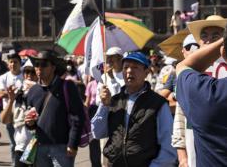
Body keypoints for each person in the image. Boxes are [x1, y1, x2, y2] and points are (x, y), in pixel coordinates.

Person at [91, 51, 177, 167]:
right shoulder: (114, 101)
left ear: (146, 72)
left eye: (135, 67)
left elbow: (168, 146)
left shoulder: (158, 104)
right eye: (126, 67)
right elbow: (97, 133)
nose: (129, 71)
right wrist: (104, 105)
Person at [175, 25, 227, 166]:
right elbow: (180, 118)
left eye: (215, 36)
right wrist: (182, 155)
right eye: (204, 36)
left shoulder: (198, 87)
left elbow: (182, 68)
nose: (209, 41)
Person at [24, 50, 85, 167]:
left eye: (43, 64)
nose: (39, 68)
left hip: (62, 147)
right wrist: (29, 123)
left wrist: (73, 144)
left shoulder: (67, 86)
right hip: (39, 146)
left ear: (53, 67)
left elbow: (77, 117)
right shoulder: (33, 91)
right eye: (36, 64)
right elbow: (31, 124)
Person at [0, 59, 37, 167]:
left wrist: (36, 89)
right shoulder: (19, 94)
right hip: (21, 148)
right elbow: (5, 120)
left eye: (32, 72)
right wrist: (11, 100)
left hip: (38, 149)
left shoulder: (43, 93)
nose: (29, 75)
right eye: (26, 72)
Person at [171, 34, 199, 167]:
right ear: (183, 52)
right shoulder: (182, 80)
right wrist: (182, 158)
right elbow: (180, 121)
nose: (194, 50)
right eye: (189, 47)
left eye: (198, 46)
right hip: (193, 157)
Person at [0, 51, 23, 163]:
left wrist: (12, 93)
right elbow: (1, 93)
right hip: (9, 113)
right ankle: (14, 163)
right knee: (13, 143)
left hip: (22, 113)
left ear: (20, 63)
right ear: (8, 64)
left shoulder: (24, 75)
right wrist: (18, 93)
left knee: (23, 142)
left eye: (15, 62)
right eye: (11, 62)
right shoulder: (3, 77)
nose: (13, 64)